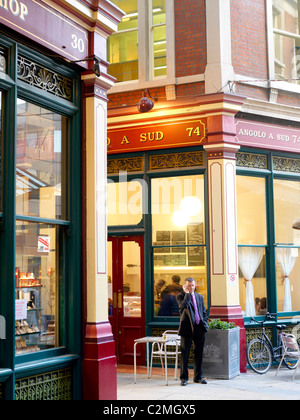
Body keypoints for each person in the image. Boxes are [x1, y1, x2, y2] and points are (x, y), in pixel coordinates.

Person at [176, 277, 209, 386]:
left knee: (199, 354)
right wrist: (187, 294)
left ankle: (198, 377)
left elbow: (203, 311)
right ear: (185, 286)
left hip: (199, 328)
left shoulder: (199, 297)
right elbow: (184, 305)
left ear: (195, 286)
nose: (191, 287)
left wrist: (205, 323)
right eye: (189, 285)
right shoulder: (181, 296)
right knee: (185, 355)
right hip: (187, 329)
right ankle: (184, 378)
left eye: (193, 285)